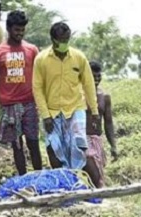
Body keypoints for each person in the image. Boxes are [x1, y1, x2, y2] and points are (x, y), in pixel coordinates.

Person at [33, 22, 99, 171]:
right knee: (54, 148)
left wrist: (94, 112)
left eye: (67, 40)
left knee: (79, 144)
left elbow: (88, 85)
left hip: (75, 108)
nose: (64, 44)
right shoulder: (41, 59)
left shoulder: (79, 57)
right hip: (52, 111)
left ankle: (81, 181)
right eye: (61, 40)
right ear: (53, 40)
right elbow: (37, 89)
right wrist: (45, 115)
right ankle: (65, 182)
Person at [0, 10, 42, 176]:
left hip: (29, 103)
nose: (19, 33)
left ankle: (39, 177)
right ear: (8, 28)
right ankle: (23, 178)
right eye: (16, 30)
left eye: (22, 30)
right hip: (8, 106)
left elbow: (39, 77)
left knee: (33, 143)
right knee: (17, 145)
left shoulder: (32, 50)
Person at [84, 60, 117, 188]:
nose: (97, 79)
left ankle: (96, 199)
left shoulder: (105, 97)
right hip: (83, 140)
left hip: (97, 139)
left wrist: (113, 146)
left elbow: (108, 123)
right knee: (92, 171)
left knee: (97, 175)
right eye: (93, 76)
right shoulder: (79, 95)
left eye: (99, 76)